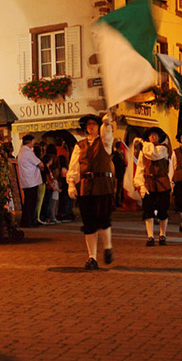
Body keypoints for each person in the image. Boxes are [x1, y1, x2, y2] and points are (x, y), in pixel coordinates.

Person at [67, 113, 116, 270]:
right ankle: (92, 257)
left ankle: (107, 247)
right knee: (88, 223)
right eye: (88, 124)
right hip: (85, 186)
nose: (91, 127)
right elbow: (74, 166)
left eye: (93, 124)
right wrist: (71, 183)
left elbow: (107, 135)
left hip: (102, 185)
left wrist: (107, 123)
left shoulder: (105, 142)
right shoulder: (79, 146)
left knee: (103, 219)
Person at [134, 127, 172, 246]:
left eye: (155, 135)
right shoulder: (144, 151)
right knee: (148, 210)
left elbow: (153, 154)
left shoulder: (163, 149)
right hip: (148, 183)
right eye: (151, 135)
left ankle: (162, 234)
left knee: (162, 210)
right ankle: (150, 236)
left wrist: (144, 143)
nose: (153, 137)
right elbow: (140, 167)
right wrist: (140, 184)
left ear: (159, 137)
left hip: (162, 183)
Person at [17, 134, 44, 228]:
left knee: (28, 202)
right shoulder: (28, 152)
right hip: (31, 181)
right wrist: (41, 166)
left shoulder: (22, 151)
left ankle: (26, 221)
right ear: (30, 142)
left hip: (26, 180)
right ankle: (29, 221)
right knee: (31, 203)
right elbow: (40, 163)